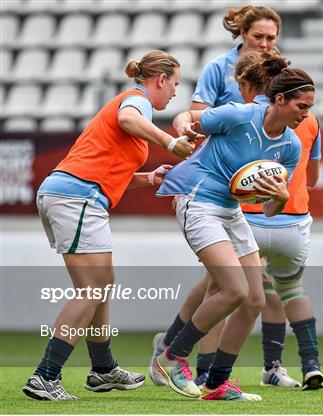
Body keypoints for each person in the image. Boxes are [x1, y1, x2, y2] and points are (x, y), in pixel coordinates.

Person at [22, 50, 194, 401]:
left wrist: (148, 178)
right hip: (78, 198)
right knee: (93, 289)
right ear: (160, 80)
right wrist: (170, 142)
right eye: (174, 84)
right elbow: (130, 120)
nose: (175, 93)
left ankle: (103, 369)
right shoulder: (136, 100)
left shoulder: (134, 102)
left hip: (72, 194)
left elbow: (107, 169)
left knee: (102, 284)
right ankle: (46, 375)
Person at [147, 4, 303, 388]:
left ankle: (217, 384)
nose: (307, 114)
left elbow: (268, 208)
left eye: (309, 108)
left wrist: (281, 197)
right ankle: (169, 357)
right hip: (199, 200)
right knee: (230, 289)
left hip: (230, 209)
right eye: (303, 106)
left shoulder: (290, 145)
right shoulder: (236, 109)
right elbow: (192, 121)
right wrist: (185, 143)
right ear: (278, 98)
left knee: (252, 298)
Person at [238, 52, 323, 389]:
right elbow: (313, 177)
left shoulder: (246, 118)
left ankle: (203, 369)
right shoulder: (311, 123)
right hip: (293, 220)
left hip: (249, 219)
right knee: (289, 291)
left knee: (224, 291)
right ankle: (306, 364)